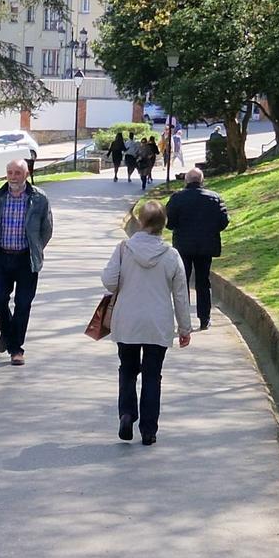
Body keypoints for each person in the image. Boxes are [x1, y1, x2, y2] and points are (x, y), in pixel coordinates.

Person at [101, 200, 192, 445]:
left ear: (140, 221)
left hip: (127, 321)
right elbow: (180, 295)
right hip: (158, 324)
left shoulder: (124, 249)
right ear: (164, 224)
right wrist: (185, 328)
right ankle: (149, 430)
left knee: (127, 369)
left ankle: (127, 414)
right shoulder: (171, 255)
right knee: (153, 375)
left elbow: (109, 281)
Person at [0, 158, 54, 365]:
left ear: (26, 174)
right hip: (2, 256)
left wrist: (36, 248)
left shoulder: (39, 198)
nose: (13, 177)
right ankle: (7, 331)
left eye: (18, 173)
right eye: (10, 173)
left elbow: (47, 229)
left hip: (26, 259)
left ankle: (16, 349)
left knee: (23, 304)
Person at [165, 167, 230, 330]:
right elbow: (223, 221)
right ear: (202, 181)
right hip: (206, 245)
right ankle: (204, 318)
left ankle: (184, 319)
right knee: (203, 282)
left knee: (182, 282)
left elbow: (170, 223)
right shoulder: (214, 198)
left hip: (183, 246)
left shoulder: (177, 198)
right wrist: (210, 230)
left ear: (186, 181)